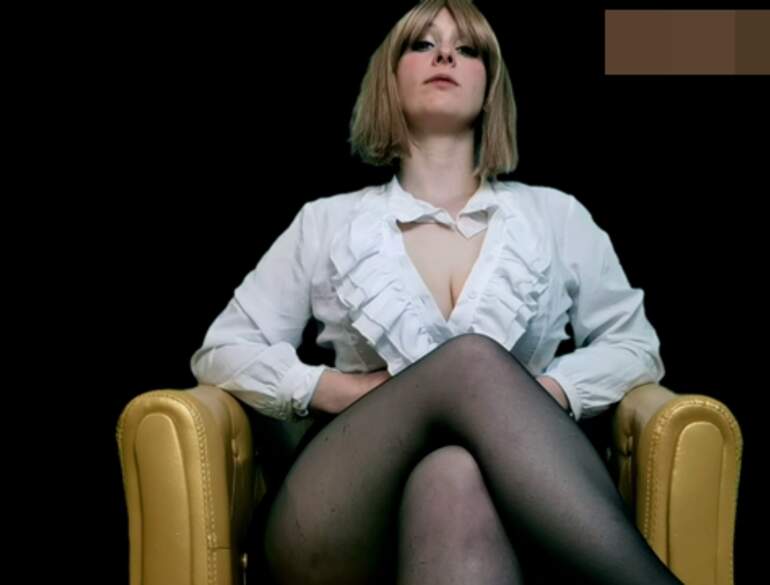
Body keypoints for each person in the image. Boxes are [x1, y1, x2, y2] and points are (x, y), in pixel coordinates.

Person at [190, 1, 682, 583]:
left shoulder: (556, 216)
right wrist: (340, 390)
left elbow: (635, 348)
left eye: (467, 48)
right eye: (423, 44)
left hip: (513, 513)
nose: (445, 55)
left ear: (489, 88)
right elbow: (222, 350)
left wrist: (548, 391)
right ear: (390, 79)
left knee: (453, 471)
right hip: (338, 517)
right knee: (470, 359)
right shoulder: (326, 222)